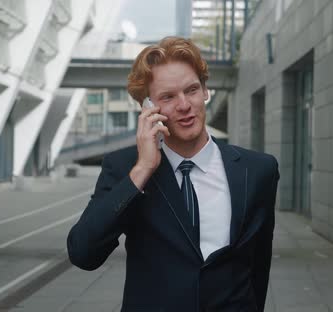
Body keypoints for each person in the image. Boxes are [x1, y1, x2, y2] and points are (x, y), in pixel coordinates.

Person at [67, 36, 279, 312]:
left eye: (191, 90)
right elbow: (84, 253)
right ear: (147, 107)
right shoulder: (124, 168)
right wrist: (142, 170)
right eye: (167, 97)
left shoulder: (258, 170)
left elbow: (258, 267)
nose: (183, 105)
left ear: (205, 90)